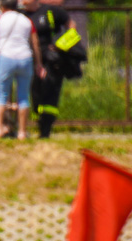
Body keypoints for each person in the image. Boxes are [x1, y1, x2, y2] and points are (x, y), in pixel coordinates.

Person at [0, 0, 44, 140]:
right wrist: (39, 63)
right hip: (25, 58)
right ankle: (22, 132)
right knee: (23, 97)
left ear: (2, 7)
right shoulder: (26, 21)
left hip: (6, 58)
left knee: (1, 95)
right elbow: (35, 43)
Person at [21, 0, 77, 138]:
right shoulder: (21, 15)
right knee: (35, 92)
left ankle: (46, 129)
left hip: (51, 59)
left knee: (50, 91)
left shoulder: (51, 12)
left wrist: (62, 45)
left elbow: (71, 25)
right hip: (31, 59)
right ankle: (39, 122)